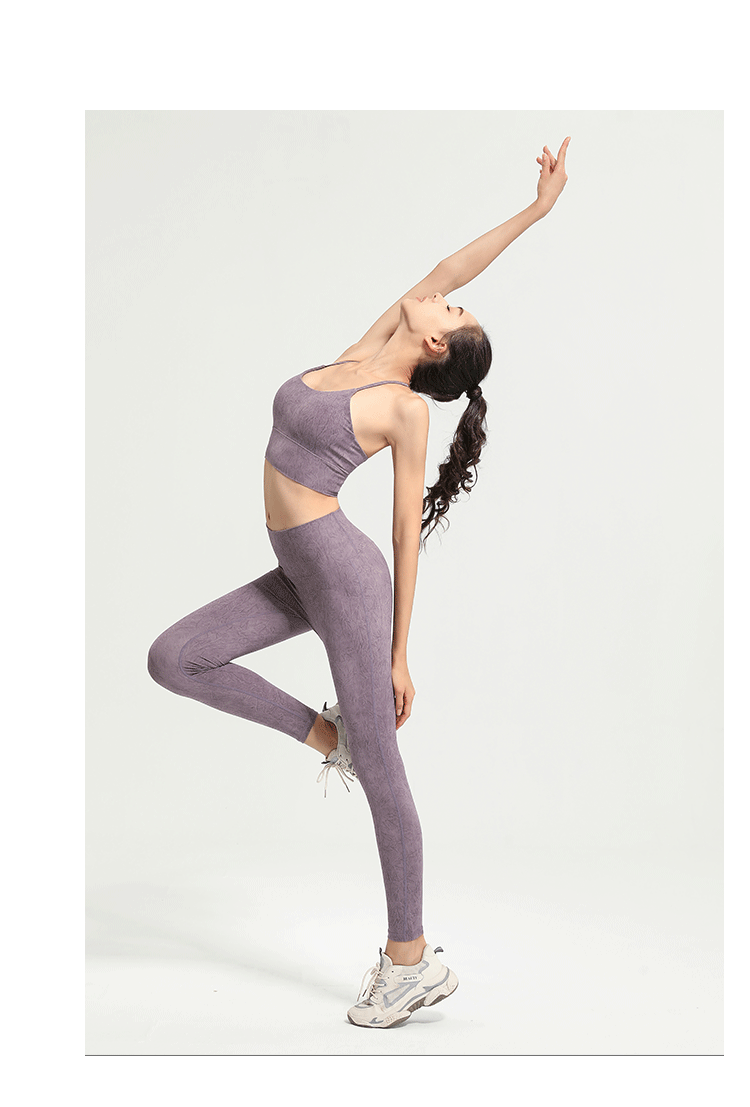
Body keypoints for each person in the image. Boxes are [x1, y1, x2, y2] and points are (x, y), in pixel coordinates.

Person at [147, 138, 571, 1029]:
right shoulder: (367, 348)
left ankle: (410, 960)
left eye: (451, 306)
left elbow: (405, 533)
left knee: (383, 769)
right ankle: (326, 734)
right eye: (451, 298)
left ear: (435, 341)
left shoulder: (403, 407)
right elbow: (450, 262)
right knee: (175, 657)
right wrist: (536, 212)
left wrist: (398, 650)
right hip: (299, 571)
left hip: (344, 580)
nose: (444, 291)